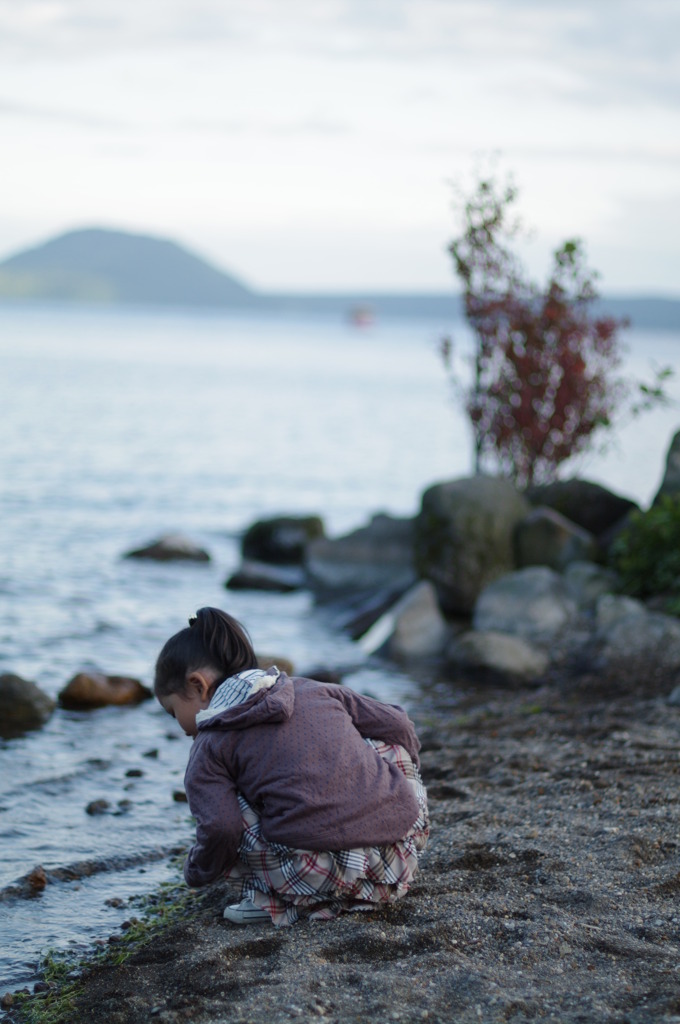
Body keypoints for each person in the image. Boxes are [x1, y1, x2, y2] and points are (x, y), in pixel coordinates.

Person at [154, 607, 429, 926]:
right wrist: (384, 784)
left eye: (174, 712)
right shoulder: (311, 688)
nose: (182, 727)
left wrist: (196, 872)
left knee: (225, 802)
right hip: (397, 857)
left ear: (198, 685)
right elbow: (399, 723)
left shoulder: (209, 743)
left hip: (314, 877)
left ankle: (269, 902)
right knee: (383, 746)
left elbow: (221, 829)